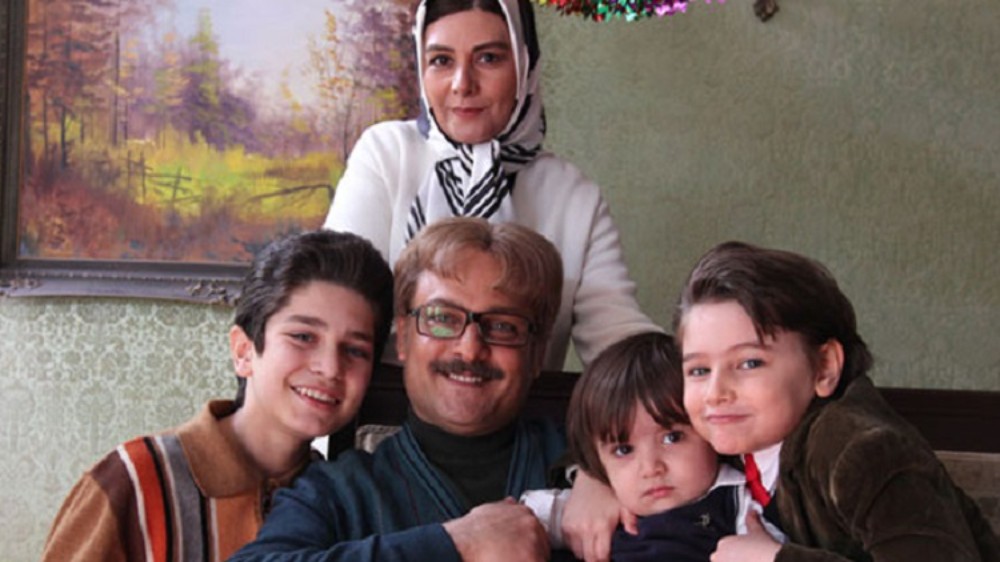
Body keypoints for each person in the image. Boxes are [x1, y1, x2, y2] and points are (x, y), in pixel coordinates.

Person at [324, 0, 659, 370]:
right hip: (385, 404)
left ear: (524, 65)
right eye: (441, 60)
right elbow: (334, 297)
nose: (462, 84)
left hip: (519, 407)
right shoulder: (387, 153)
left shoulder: (572, 195)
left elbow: (617, 335)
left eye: (488, 58)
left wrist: (693, 367)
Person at [230, 217, 576, 562]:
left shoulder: (588, 463)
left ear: (537, 354)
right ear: (404, 338)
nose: (470, 350)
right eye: (442, 318)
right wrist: (454, 544)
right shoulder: (337, 491)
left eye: (503, 326)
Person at [40, 230, 394, 562]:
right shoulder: (133, 478)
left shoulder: (346, 499)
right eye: (303, 337)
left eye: (355, 350)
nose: (330, 368)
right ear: (243, 351)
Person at [674, 241, 1000, 562]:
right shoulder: (720, 446)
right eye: (699, 370)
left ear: (825, 366)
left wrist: (776, 559)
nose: (716, 392)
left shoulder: (863, 451)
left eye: (750, 363)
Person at [523, 332, 776, 562]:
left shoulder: (738, 501)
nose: (651, 468)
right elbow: (517, 522)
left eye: (672, 438)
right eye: (624, 450)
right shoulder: (600, 505)